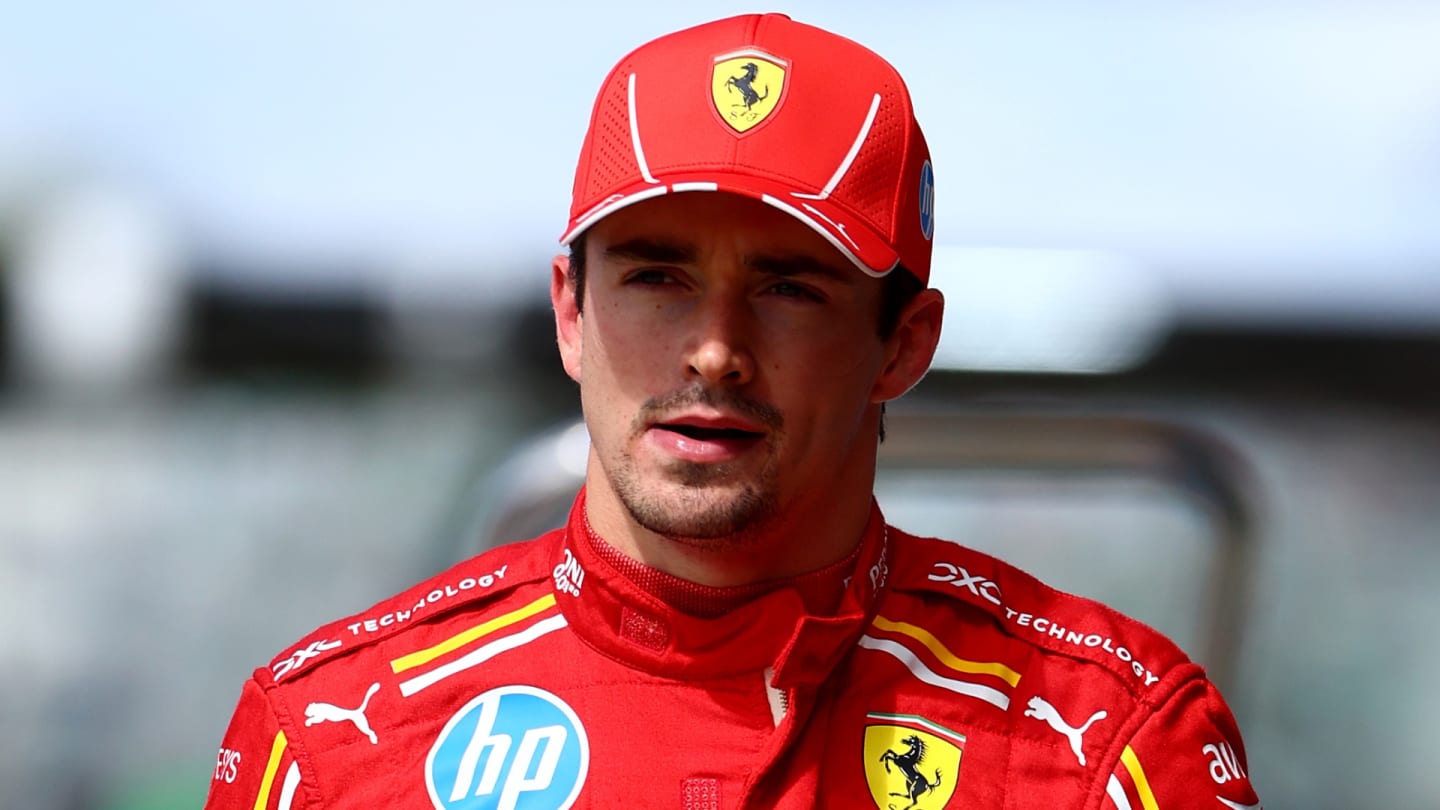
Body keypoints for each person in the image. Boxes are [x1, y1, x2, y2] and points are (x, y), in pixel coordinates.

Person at [203, 13, 1262, 810]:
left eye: (789, 288)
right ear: (569, 311)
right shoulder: (329, 741)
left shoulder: (1105, 739)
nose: (715, 349)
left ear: (904, 342)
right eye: (658, 276)